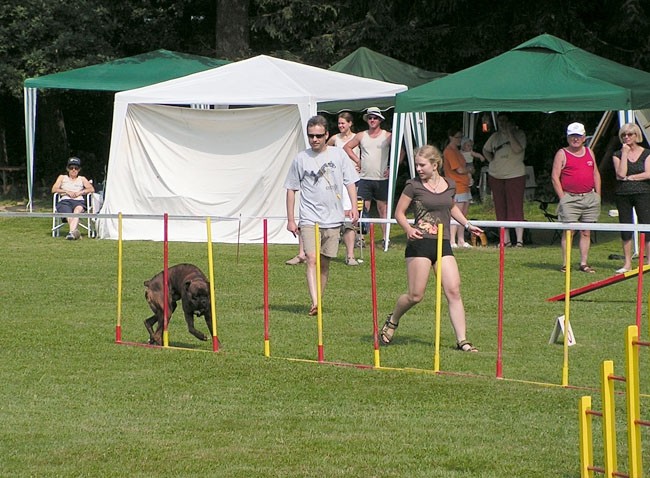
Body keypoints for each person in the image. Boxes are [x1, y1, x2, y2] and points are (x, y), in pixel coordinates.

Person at [379, 145, 482, 352]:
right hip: (420, 243)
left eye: (422, 165)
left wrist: (468, 225)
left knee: (453, 290)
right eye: (416, 164)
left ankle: (462, 340)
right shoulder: (413, 186)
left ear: (435, 165)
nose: (418, 168)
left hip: (442, 243)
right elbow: (399, 212)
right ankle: (393, 319)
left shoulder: (450, 184)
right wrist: (408, 228)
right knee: (416, 295)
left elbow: (450, 206)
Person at [284, 115, 359, 316]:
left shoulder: (339, 155)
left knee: (324, 263)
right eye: (311, 136)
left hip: (333, 218)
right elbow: (291, 189)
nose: (314, 140)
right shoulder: (301, 158)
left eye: (318, 136)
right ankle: (315, 302)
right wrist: (291, 219)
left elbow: (350, 182)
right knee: (311, 258)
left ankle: (319, 299)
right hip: (309, 217)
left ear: (327, 135)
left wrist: (354, 206)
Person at [551, 122, 601, 273]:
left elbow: (595, 173)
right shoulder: (562, 153)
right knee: (569, 231)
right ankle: (566, 264)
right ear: (567, 137)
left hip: (589, 197)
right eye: (572, 136)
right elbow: (555, 177)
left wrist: (598, 195)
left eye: (578, 136)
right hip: (570, 198)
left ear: (584, 137)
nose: (575, 139)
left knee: (586, 231)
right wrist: (563, 198)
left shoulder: (589, 152)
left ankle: (583, 263)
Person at [343, 107, 392, 248]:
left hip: (382, 179)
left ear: (380, 120)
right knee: (363, 209)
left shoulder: (387, 135)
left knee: (384, 209)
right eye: (370, 118)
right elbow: (347, 147)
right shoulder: (361, 135)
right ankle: (361, 238)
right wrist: (358, 161)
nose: (372, 120)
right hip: (365, 178)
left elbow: (400, 151)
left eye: (375, 118)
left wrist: (391, 168)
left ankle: (385, 238)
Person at [482, 113, 527, 247]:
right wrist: (492, 162)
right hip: (496, 175)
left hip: (515, 174)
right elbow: (485, 150)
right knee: (500, 209)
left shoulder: (519, 134)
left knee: (516, 208)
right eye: (500, 121)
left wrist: (509, 133)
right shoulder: (495, 136)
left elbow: (518, 149)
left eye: (505, 121)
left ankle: (519, 240)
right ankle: (505, 240)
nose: (502, 124)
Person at [612, 123, 650, 273]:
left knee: (646, 225)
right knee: (626, 226)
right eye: (623, 135)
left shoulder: (646, 153)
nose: (626, 137)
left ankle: (648, 261)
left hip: (643, 193)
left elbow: (648, 173)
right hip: (623, 194)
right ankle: (627, 263)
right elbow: (620, 174)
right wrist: (625, 154)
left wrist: (632, 177)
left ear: (636, 136)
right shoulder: (617, 154)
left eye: (629, 135)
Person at [328, 112, 361, 266]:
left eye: (343, 123)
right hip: (335, 181)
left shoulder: (356, 138)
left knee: (350, 217)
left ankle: (350, 255)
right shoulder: (334, 139)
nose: (341, 126)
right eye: (339, 123)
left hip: (352, 179)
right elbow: (324, 151)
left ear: (350, 123)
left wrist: (359, 163)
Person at [443, 128, 474, 248]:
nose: (460, 140)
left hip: (465, 186)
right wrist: (469, 170)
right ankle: (452, 240)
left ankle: (461, 239)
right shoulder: (449, 151)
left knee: (464, 214)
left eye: (461, 137)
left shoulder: (457, 151)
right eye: (457, 137)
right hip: (456, 186)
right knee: (456, 214)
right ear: (451, 137)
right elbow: (460, 169)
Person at [51, 157, 95, 240]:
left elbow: (91, 189)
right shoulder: (62, 177)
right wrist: (67, 191)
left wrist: (80, 192)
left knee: (77, 211)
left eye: (76, 168)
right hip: (65, 201)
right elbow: (54, 189)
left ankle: (72, 233)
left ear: (79, 169)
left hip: (79, 201)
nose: (74, 170)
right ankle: (74, 232)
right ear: (68, 169)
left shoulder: (82, 179)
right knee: (69, 214)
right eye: (71, 168)